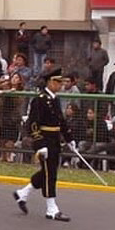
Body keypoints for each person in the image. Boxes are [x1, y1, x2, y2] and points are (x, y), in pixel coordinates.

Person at [13, 68, 73, 221]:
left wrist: (69, 138)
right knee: (50, 174)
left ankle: (22, 193)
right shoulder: (39, 99)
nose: (59, 85)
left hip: (54, 140)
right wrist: (40, 144)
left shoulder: (55, 99)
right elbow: (33, 124)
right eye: (57, 82)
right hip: (44, 140)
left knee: (48, 171)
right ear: (49, 82)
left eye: (60, 82)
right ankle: (51, 208)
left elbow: (61, 121)